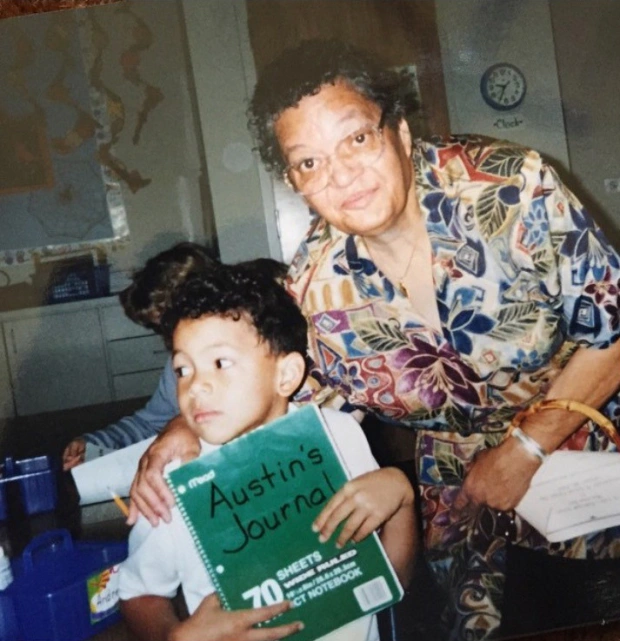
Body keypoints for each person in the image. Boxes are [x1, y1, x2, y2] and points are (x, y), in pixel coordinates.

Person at [129, 39, 620, 639]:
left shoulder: (512, 190)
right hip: (464, 492)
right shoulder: (314, 286)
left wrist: (526, 449)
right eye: (309, 162)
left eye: (356, 139)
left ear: (401, 134)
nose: (340, 175)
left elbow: (614, 324)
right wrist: (184, 426)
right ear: (294, 181)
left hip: (597, 439)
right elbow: (284, 386)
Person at [118, 265, 417, 641]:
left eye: (220, 363)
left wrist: (402, 498)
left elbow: (391, 580)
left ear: (287, 376)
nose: (196, 386)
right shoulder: (172, 478)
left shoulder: (339, 435)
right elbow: (139, 593)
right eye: (182, 369)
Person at [62, 241, 286, 470]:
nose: (175, 336)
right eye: (163, 328)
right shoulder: (179, 368)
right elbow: (148, 422)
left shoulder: (265, 347)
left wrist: (185, 424)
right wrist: (95, 443)